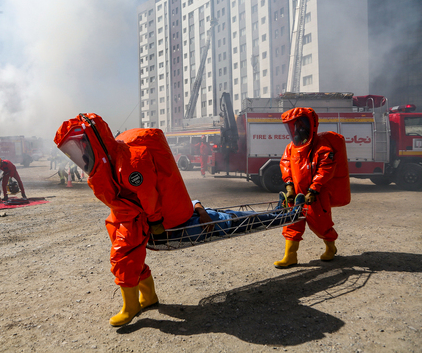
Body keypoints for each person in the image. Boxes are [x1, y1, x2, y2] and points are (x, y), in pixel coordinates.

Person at [55, 113, 194, 327]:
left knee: (123, 257)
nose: (78, 155)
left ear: (93, 141)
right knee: (131, 256)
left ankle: (131, 307)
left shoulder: (129, 161)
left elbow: (147, 194)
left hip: (136, 216)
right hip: (122, 213)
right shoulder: (105, 163)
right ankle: (148, 297)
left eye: (79, 148)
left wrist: (156, 221)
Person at [274, 107, 348, 268]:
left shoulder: (322, 147)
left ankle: (331, 247)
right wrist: (289, 187)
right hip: (297, 195)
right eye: (295, 125)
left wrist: (314, 189)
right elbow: (285, 165)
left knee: (321, 224)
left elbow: (326, 169)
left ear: (310, 125)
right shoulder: (290, 148)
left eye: (301, 125)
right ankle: (290, 256)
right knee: (291, 223)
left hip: (316, 195)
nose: (298, 129)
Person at [149, 195, 305, 247]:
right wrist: (201, 212)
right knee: (259, 219)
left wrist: (201, 210)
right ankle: (291, 216)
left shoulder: (176, 221)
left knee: (258, 216)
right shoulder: (183, 233)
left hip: (224, 216)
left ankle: (278, 211)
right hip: (230, 224)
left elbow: (193, 201)